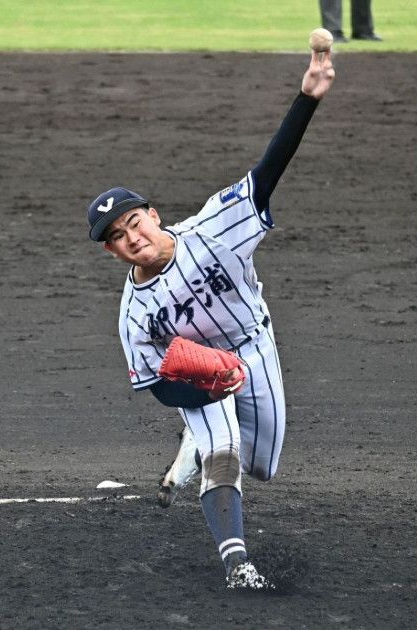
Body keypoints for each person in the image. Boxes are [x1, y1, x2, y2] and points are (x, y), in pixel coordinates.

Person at [86, 50, 335, 590]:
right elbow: (158, 386)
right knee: (222, 450)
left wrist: (308, 98)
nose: (132, 239)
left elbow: (265, 175)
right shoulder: (136, 316)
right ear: (113, 253)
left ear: (153, 216)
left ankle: (191, 448)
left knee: (263, 464)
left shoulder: (213, 230)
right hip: (199, 378)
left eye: (134, 223)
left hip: (253, 347)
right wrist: (203, 393)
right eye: (118, 239)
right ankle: (237, 565)